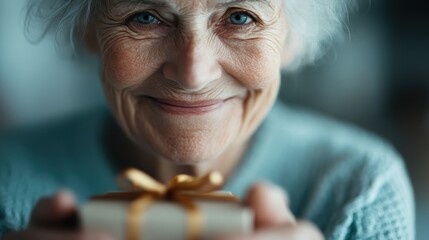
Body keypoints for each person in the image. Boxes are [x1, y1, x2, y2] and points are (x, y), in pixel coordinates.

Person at [0, 0, 414, 239]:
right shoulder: (7, 181)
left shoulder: (359, 188)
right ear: (87, 30)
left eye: (239, 17)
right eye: (146, 16)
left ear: (291, 37)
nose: (194, 73)